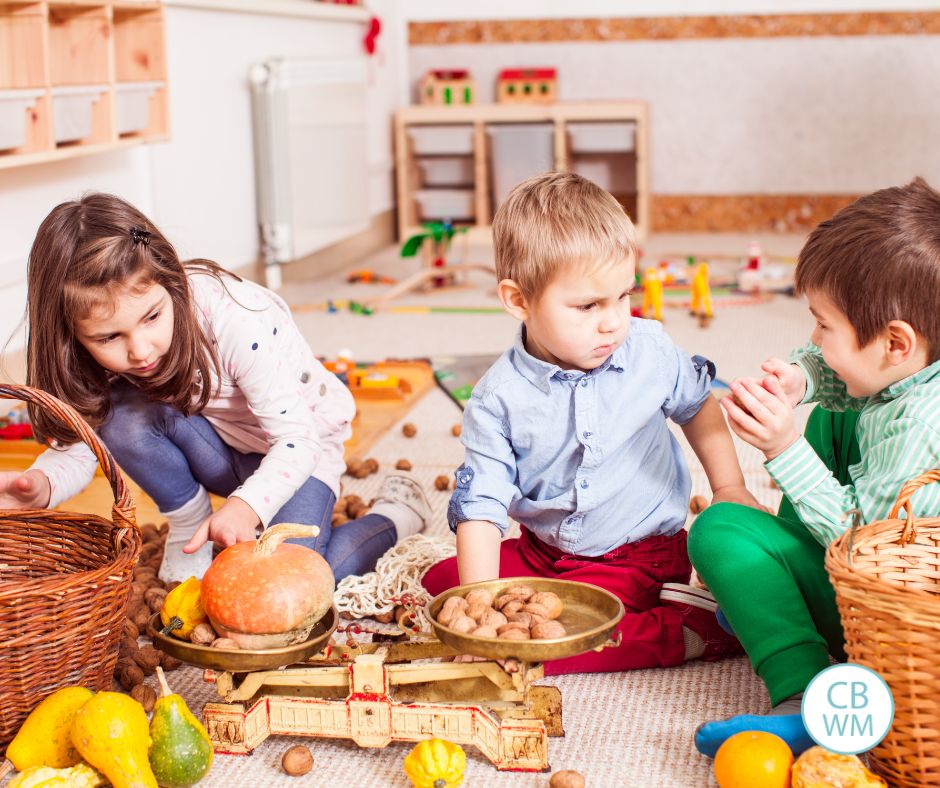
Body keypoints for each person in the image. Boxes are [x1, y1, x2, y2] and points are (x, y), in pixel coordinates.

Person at [422, 171, 761, 674]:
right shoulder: (498, 398)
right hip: (545, 555)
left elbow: (697, 404)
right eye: (588, 306)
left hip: (639, 556)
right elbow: (482, 503)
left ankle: (688, 630)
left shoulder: (649, 350)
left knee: (561, 645)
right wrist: (480, 608)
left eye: (623, 296)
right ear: (519, 301)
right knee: (441, 585)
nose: (613, 321)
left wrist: (729, 485)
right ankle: (642, 614)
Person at [0, 193, 431, 583]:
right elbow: (86, 437)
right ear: (69, 335)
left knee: (297, 579)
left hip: (300, 452)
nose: (140, 350)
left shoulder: (232, 319)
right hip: (222, 448)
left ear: (169, 280)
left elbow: (298, 441)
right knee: (121, 414)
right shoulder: (107, 345)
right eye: (109, 338)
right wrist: (44, 482)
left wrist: (247, 507)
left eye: (152, 317)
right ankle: (189, 523)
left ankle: (396, 515)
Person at [690, 177, 940, 756]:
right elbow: (854, 375)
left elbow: (862, 547)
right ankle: (777, 595)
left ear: (896, 342)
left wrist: (781, 449)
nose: (812, 336)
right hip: (873, 568)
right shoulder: (908, 366)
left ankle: (806, 699)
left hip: (885, 614)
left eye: (824, 326)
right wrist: (803, 377)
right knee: (842, 405)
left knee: (719, 530)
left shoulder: (922, 427)